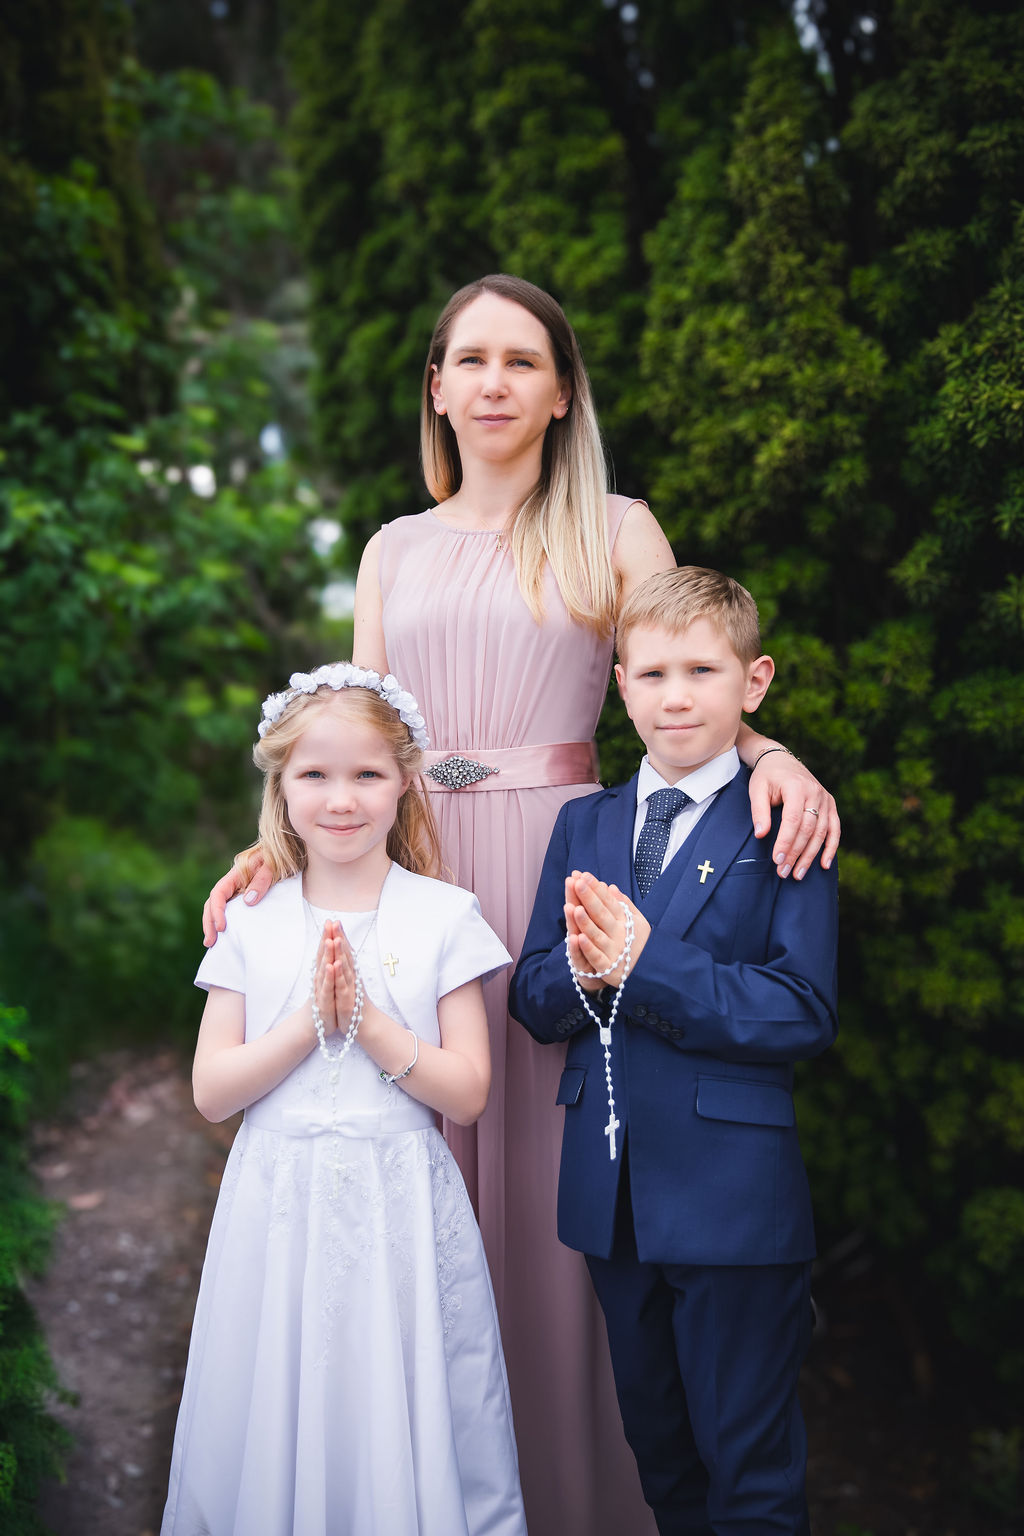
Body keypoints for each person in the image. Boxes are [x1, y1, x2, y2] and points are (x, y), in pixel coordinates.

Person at [203, 275, 840, 1536]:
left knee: (570, 1177)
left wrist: (777, 757)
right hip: (423, 877)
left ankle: (581, 1492)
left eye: (521, 361)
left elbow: (686, 678)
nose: (493, 383)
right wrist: (272, 848)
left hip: (571, 871)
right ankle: (427, 1488)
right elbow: (352, 740)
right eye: (469, 361)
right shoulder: (392, 546)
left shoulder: (614, 527)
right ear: (436, 387)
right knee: (423, 1155)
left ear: (560, 392)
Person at [509, 567, 839, 1535]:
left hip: (734, 1202)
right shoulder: (585, 822)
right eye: (651, 673)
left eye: (702, 669)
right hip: (610, 1201)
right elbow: (533, 994)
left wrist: (647, 966)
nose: (676, 695)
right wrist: (588, 972)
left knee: (749, 1473)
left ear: (755, 681)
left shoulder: (786, 816)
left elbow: (800, 1008)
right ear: (619, 686)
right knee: (663, 1463)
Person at [163, 664, 527, 1536]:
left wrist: (367, 1024)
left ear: (405, 780)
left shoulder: (443, 914)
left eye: (367, 774)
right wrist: (306, 1025)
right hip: (275, 1205)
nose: (342, 799)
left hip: (398, 1199)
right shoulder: (252, 921)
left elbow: (470, 1093)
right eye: (315, 775)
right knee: (274, 1398)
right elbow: (213, 1092)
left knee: (397, 1401)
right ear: (280, 786)